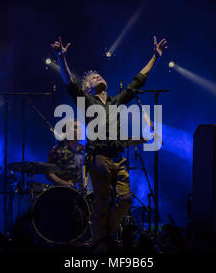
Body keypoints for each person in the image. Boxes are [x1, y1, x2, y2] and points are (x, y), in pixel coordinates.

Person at [51, 35, 167, 252]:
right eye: (94, 77)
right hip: (99, 159)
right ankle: (101, 247)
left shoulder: (115, 103)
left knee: (125, 200)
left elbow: (137, 82)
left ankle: (103, 238)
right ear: (88, 89)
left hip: (118, 159)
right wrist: (61, 58)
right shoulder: (87, 102)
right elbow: (70, 84)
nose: (98, 76)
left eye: (99, 74)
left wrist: (155, 58)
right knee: (102, 206)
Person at [45, 118, 85, 190]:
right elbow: (48, 173)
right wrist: (63, 183)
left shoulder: (84, 150)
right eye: (76, 127)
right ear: (67, 131)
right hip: (61, 190)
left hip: (81, 192)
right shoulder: (57, 150)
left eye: (80, 128)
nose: (80, 130)